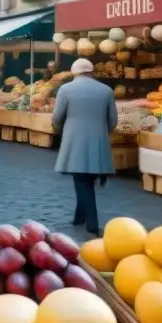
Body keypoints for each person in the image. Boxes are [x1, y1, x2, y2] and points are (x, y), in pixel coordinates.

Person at [52, 58, 117, 235]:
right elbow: (113, 121)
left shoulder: (65, 89)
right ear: (91, 71)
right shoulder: (106, 90)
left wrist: (59, 128)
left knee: (81, 180)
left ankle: (92, 223)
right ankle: (79, 217)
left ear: (74, 72)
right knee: (87, 179)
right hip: (98, 140)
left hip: (75, 139)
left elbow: (56, 117)